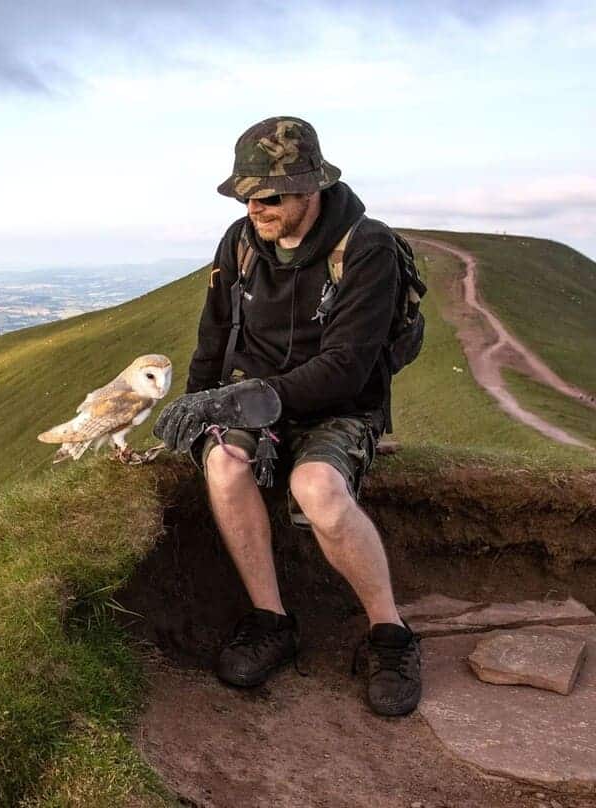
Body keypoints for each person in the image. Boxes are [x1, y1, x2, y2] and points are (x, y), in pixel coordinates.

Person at [152, 116, 421, 716]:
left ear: (311, 188)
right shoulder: (239, 242)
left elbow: (346, 369)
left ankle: (390, 635)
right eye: (246, 194)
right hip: (252, 398)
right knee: (223, 465)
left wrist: (235, 400)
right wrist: (198, 404)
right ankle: (271, 620)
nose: (256, 208)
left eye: (269, 196)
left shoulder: (368, 248)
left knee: (317, 487)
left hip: (339, 406)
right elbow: (215, 332)